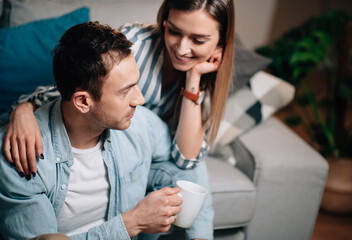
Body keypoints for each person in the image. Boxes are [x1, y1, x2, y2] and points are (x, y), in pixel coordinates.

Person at [2, 0, 235, 239]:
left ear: (219, 42)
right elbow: (76, 81)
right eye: (173, 31)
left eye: (198, 40)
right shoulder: (134, 44)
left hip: (129, 137)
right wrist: (24, 109)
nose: (182, 48)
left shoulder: (147, 120)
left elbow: (188, 162)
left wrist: (193, 80)